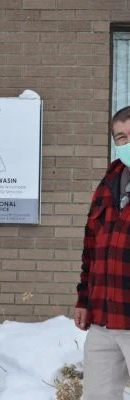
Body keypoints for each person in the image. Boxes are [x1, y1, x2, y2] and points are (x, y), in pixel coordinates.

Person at [74, 105, 130, 400]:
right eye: (121, 137)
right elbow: (91, 249)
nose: (127, 142)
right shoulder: (108, 184)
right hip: (105, 318)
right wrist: (84, 300)